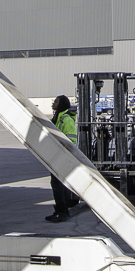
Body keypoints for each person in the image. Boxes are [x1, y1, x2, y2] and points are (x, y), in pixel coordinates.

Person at [45, 95, 81, 223]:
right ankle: (60, 210)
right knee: (56, 184)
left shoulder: (66, 120)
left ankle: (62, 211)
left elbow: (71, 140)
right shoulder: (57, 118)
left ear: (61, 104)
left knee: (58, 185)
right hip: (56, 156)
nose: (53, 103)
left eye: (56, 101)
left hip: (62, 156)